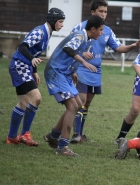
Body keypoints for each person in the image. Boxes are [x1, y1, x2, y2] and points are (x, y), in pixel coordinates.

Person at [69, 0, 140, 143]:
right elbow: (69, 46)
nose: (103, 14)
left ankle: (80, 134)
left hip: (96, 71)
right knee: (81, 100)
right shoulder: (80, 27)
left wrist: (132, 46)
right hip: (81, 68)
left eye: (105, 12)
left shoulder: (107, 30)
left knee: (87, 103)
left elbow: (118, 47)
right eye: (100, 11)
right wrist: (82, 53)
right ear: (92, 12)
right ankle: (75, 135)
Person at [43, 15, 104, 156]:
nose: (101, 33)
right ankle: (63, 147)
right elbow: (69, 49)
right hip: (56, 71)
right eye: (100, 30)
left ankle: (53, 135)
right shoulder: (81, 35)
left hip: (65, 73)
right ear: (93, 29)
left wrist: (73, 70)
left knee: (77, 104)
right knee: (72, 106)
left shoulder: (86, 39)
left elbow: (72, 54)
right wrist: (83, 62)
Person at [5, 8, 65, 146]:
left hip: (24, 67)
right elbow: (23, 47)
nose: (62, 25)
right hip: (20, 66)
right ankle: (25, 134)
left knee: (23, 103)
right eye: (60, 22)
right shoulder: (39, 32)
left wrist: (34, 71)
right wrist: (31, 60)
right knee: (36, 98)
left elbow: (35, 52)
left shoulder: (47, 32)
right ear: (53, 20)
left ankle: (12, 137)